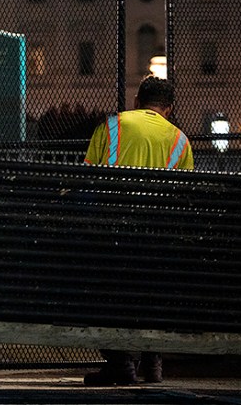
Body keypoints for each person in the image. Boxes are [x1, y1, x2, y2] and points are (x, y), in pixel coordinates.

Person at [82, 75, 194, 386]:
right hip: (158, 237)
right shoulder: (180, 141)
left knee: (100, 285)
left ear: (136, 101)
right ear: (168, 109)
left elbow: (87, 179)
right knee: (155, 287)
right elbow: (186, 198)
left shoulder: (112, 126)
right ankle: (152, 362)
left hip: (111, 232)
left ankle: (120, 362)